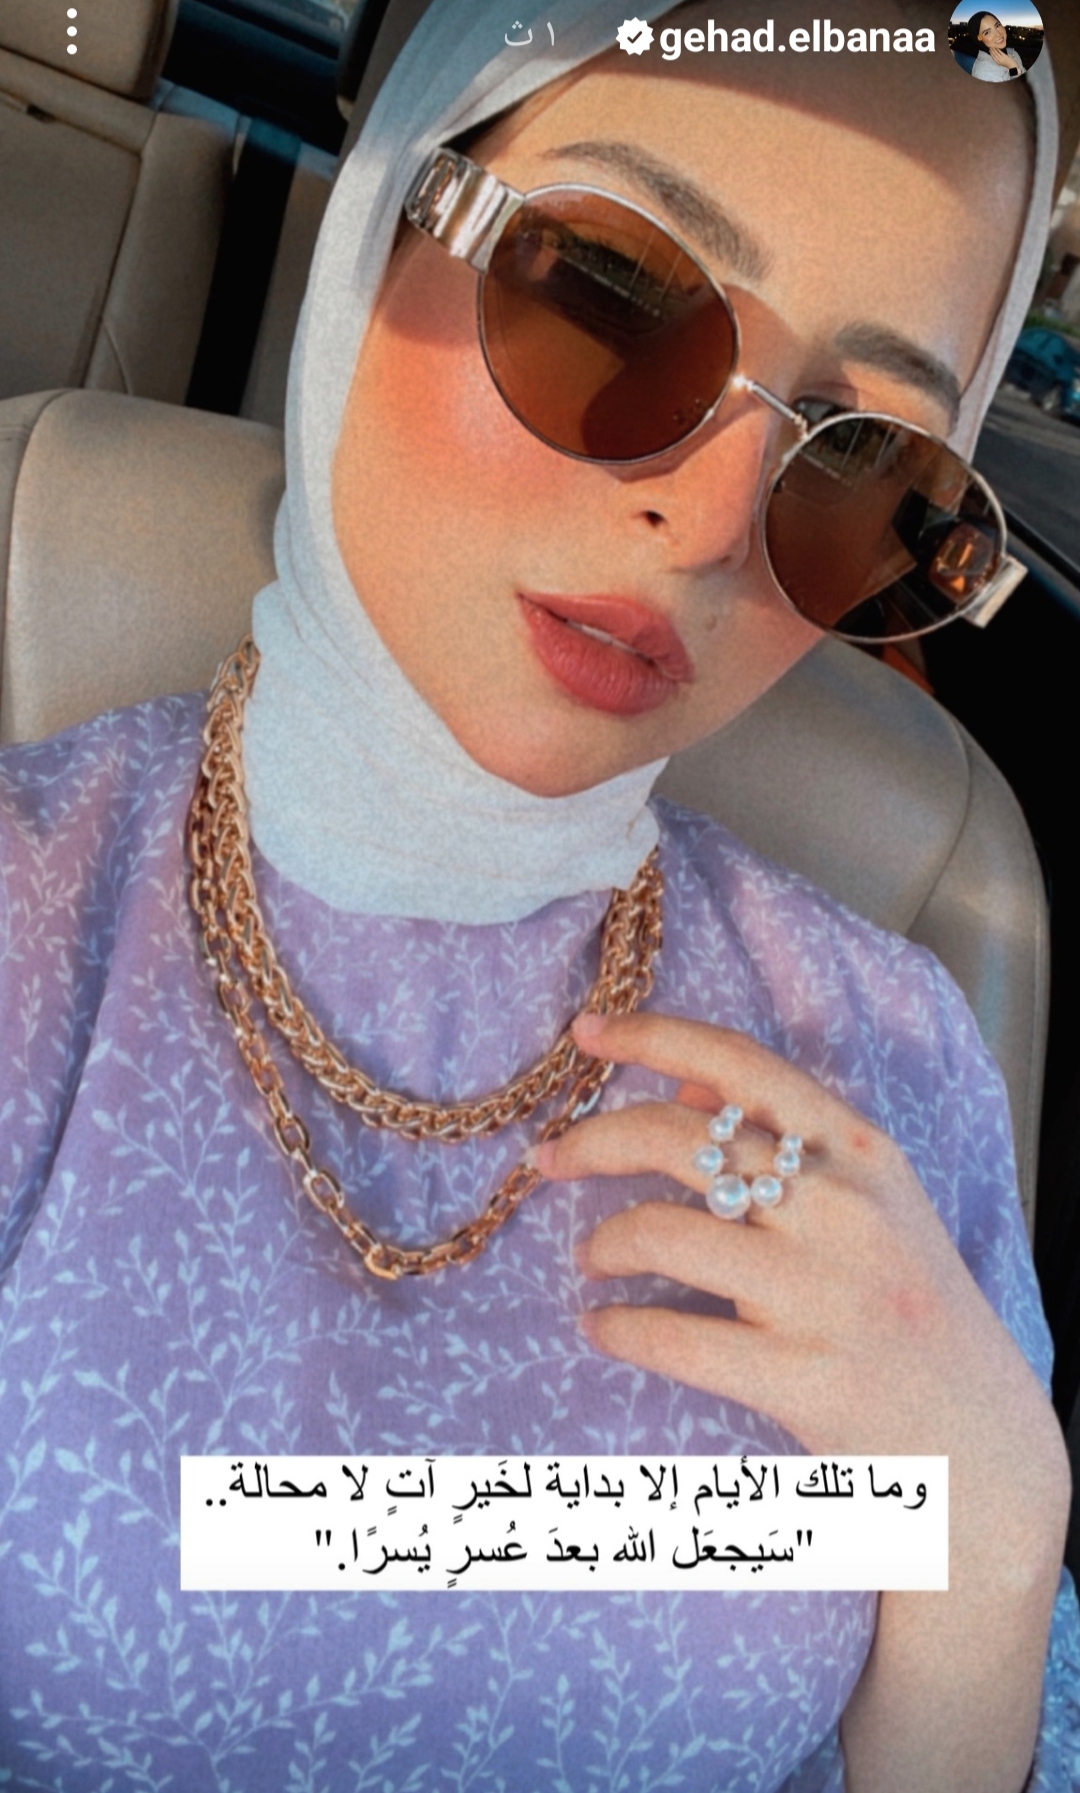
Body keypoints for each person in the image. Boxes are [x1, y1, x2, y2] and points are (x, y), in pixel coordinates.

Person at [0, 2, 1078, 1789]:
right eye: (613, 298)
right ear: (381, 216)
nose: (713, 518)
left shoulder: (895, 1053)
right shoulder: (35, 918)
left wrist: (993, 1538)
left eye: (862, 457)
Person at [970, 11, 1027, 80]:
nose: (998, 34)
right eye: (987, 32)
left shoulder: (1012, 53)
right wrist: (1012, 67)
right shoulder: (983, 71)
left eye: (997, 25)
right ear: (979, 38)